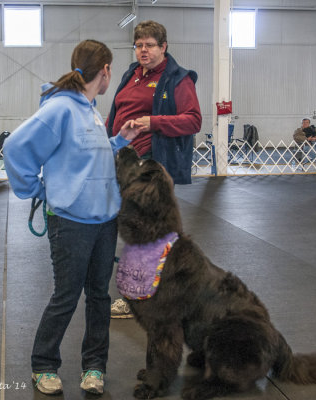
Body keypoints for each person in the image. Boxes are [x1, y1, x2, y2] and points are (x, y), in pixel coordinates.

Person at [3, 40, 145, 396]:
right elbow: (15, 147)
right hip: (70, 222)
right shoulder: (61, 108)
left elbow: (87, 158)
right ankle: (43, 365)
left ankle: (94, 367)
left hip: (104, 220)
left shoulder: (90, 109)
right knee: (66, 296)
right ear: (106, 70)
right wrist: (38, 191)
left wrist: (119, 141)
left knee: (98, 296)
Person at [106, 20, 202, 319]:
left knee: (147, 236)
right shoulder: (131, 75)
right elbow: (116, 114)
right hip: (123, 163)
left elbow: (193, 120)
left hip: (150, 168)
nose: (143, 50)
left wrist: (154, 122)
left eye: (149, 45)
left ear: (163, 47)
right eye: (138, 45)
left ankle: (145, 296)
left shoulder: (178, 78)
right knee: (132, 232)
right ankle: (143, 291)